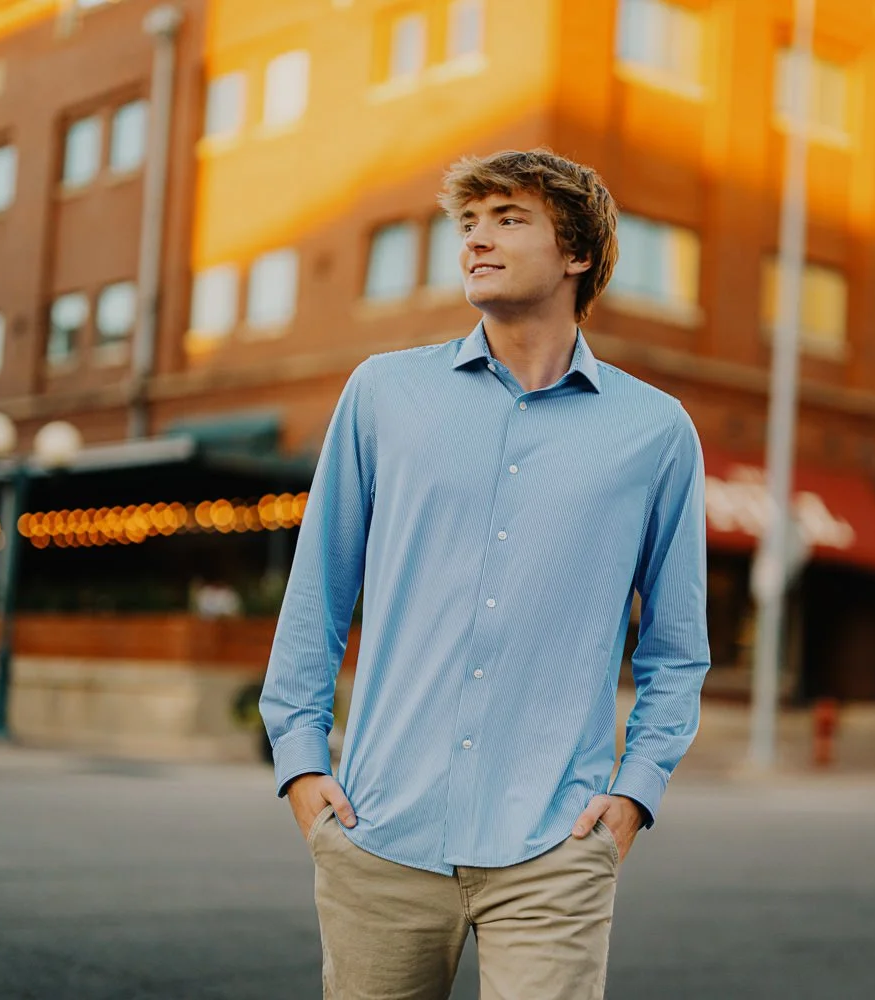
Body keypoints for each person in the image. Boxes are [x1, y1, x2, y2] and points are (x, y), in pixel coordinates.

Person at [260, 149, 711, 999]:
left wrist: (633, 797)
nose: (476, 240)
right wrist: (300, 764)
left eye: (509, 219)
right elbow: (316, 591)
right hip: (378, 831)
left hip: (555, 848)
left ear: (577, 255)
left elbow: (677, 648)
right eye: (468, 222)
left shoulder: (654, 431)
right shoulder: (383, 394)